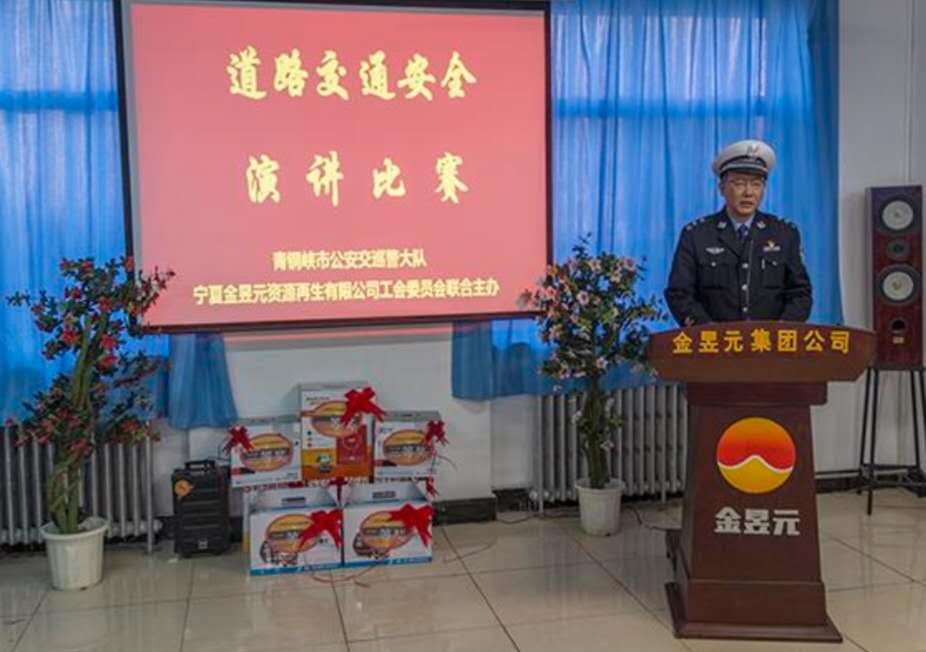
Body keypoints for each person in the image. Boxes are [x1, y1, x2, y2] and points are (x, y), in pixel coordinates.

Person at [664, 139, 812, 326]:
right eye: (739, 183)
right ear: (722, 188)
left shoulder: (785, 234)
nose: (748, 193)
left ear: (764, 189)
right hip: (713, 341)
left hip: (769, 341)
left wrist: (781, 330)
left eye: (756, 184)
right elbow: (679, 294)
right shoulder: (696, 235)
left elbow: (800, 294)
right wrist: (708, 331)